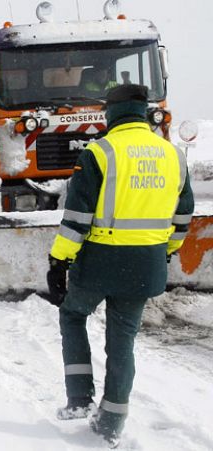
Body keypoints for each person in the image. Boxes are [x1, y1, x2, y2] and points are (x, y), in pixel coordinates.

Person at [46, 84, 194, 446]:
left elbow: (78, 216)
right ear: (144, 111)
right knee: (122, 341)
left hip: (100, 261)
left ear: (111, 112)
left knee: (73, 314)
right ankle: (111, 421)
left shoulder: (101, 152)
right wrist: (166, 251)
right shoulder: (174, 155)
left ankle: (80, 398)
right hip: (146, 265)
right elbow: (184, 215)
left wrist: (59, 260)